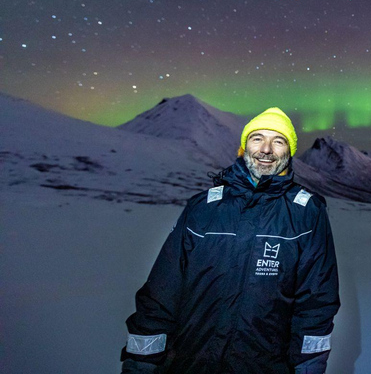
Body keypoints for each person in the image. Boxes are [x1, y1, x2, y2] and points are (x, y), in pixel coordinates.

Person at [121, 107, 340, 374]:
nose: (266, 149)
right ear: (243, 147)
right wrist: (141, 363)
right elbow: (162, 290)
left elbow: (316, 304)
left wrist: (309, 368)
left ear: (289, 152)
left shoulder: (306, 213)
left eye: (278, 141)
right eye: (257, 138)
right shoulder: (203, 207)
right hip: (189, 363)